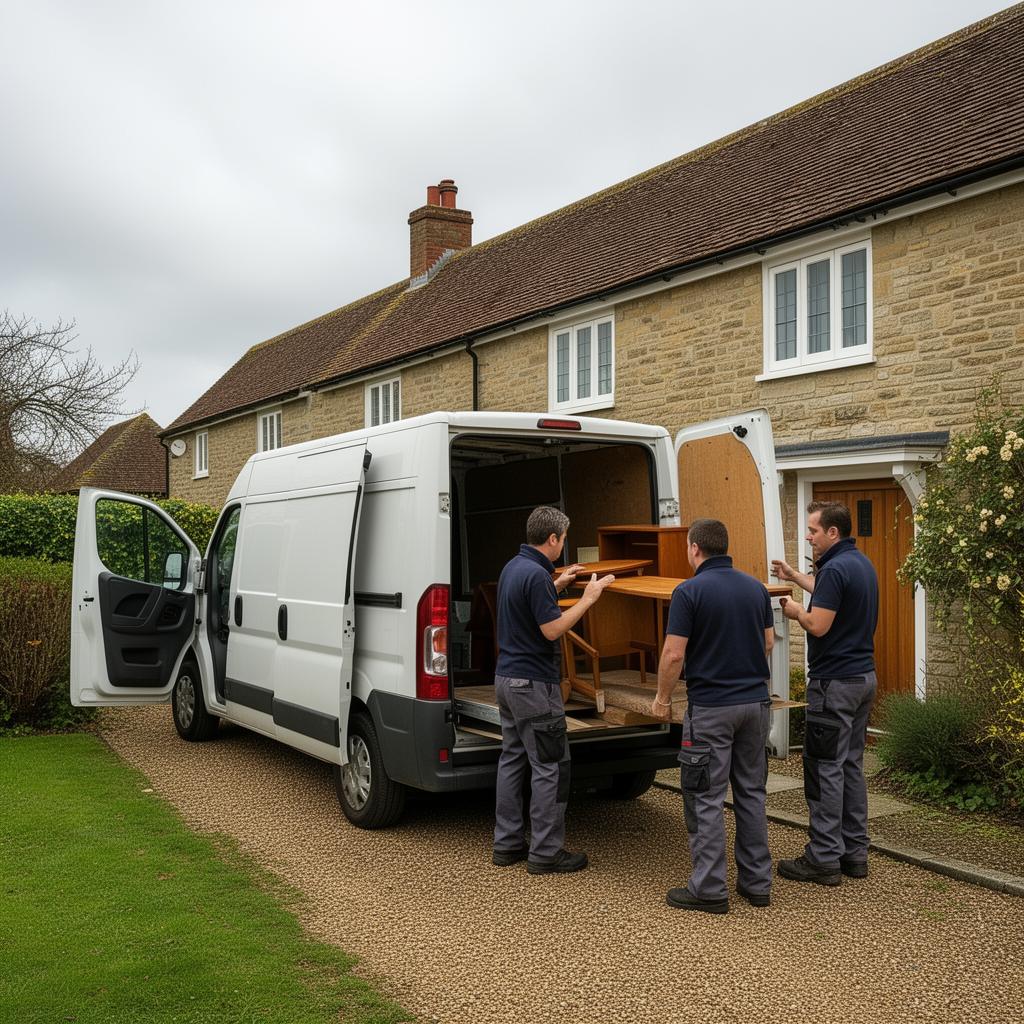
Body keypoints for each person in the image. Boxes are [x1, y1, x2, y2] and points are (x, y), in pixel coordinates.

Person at [650, 518, 775, 914]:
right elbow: (769, 642)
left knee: (705, 796)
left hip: (711, 709)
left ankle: (709, 889)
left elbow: (673, 654)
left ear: (694, 549)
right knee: (752, 792)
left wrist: (662, 698)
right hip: (756, 705)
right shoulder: (756, 588)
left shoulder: (689, 592)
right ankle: (757, 884)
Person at [492, 506, 615, 875]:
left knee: (512, 760)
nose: (563, 545)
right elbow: (551, 629)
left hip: (506, 682)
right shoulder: (535, 575)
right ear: (552, 539)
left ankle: (507, 843)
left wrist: (558, 585)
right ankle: (546, 852)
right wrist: (588, 598)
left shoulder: (515, 568)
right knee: (549, 767)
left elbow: (530, 604)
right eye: (563, 539)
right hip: (533, 686)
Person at [773, 499, 879, 886]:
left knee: (825, 770)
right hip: (863, 680)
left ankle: (823, 858)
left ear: (833, 532)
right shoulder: (859, 564)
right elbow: (830, 592)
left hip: (833, 684)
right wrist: (794, 575)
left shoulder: (835, 568)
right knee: (851, 766)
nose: (807, 535)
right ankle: (855, 855)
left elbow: (818, 625)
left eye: (813, 530)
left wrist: (794, 611)